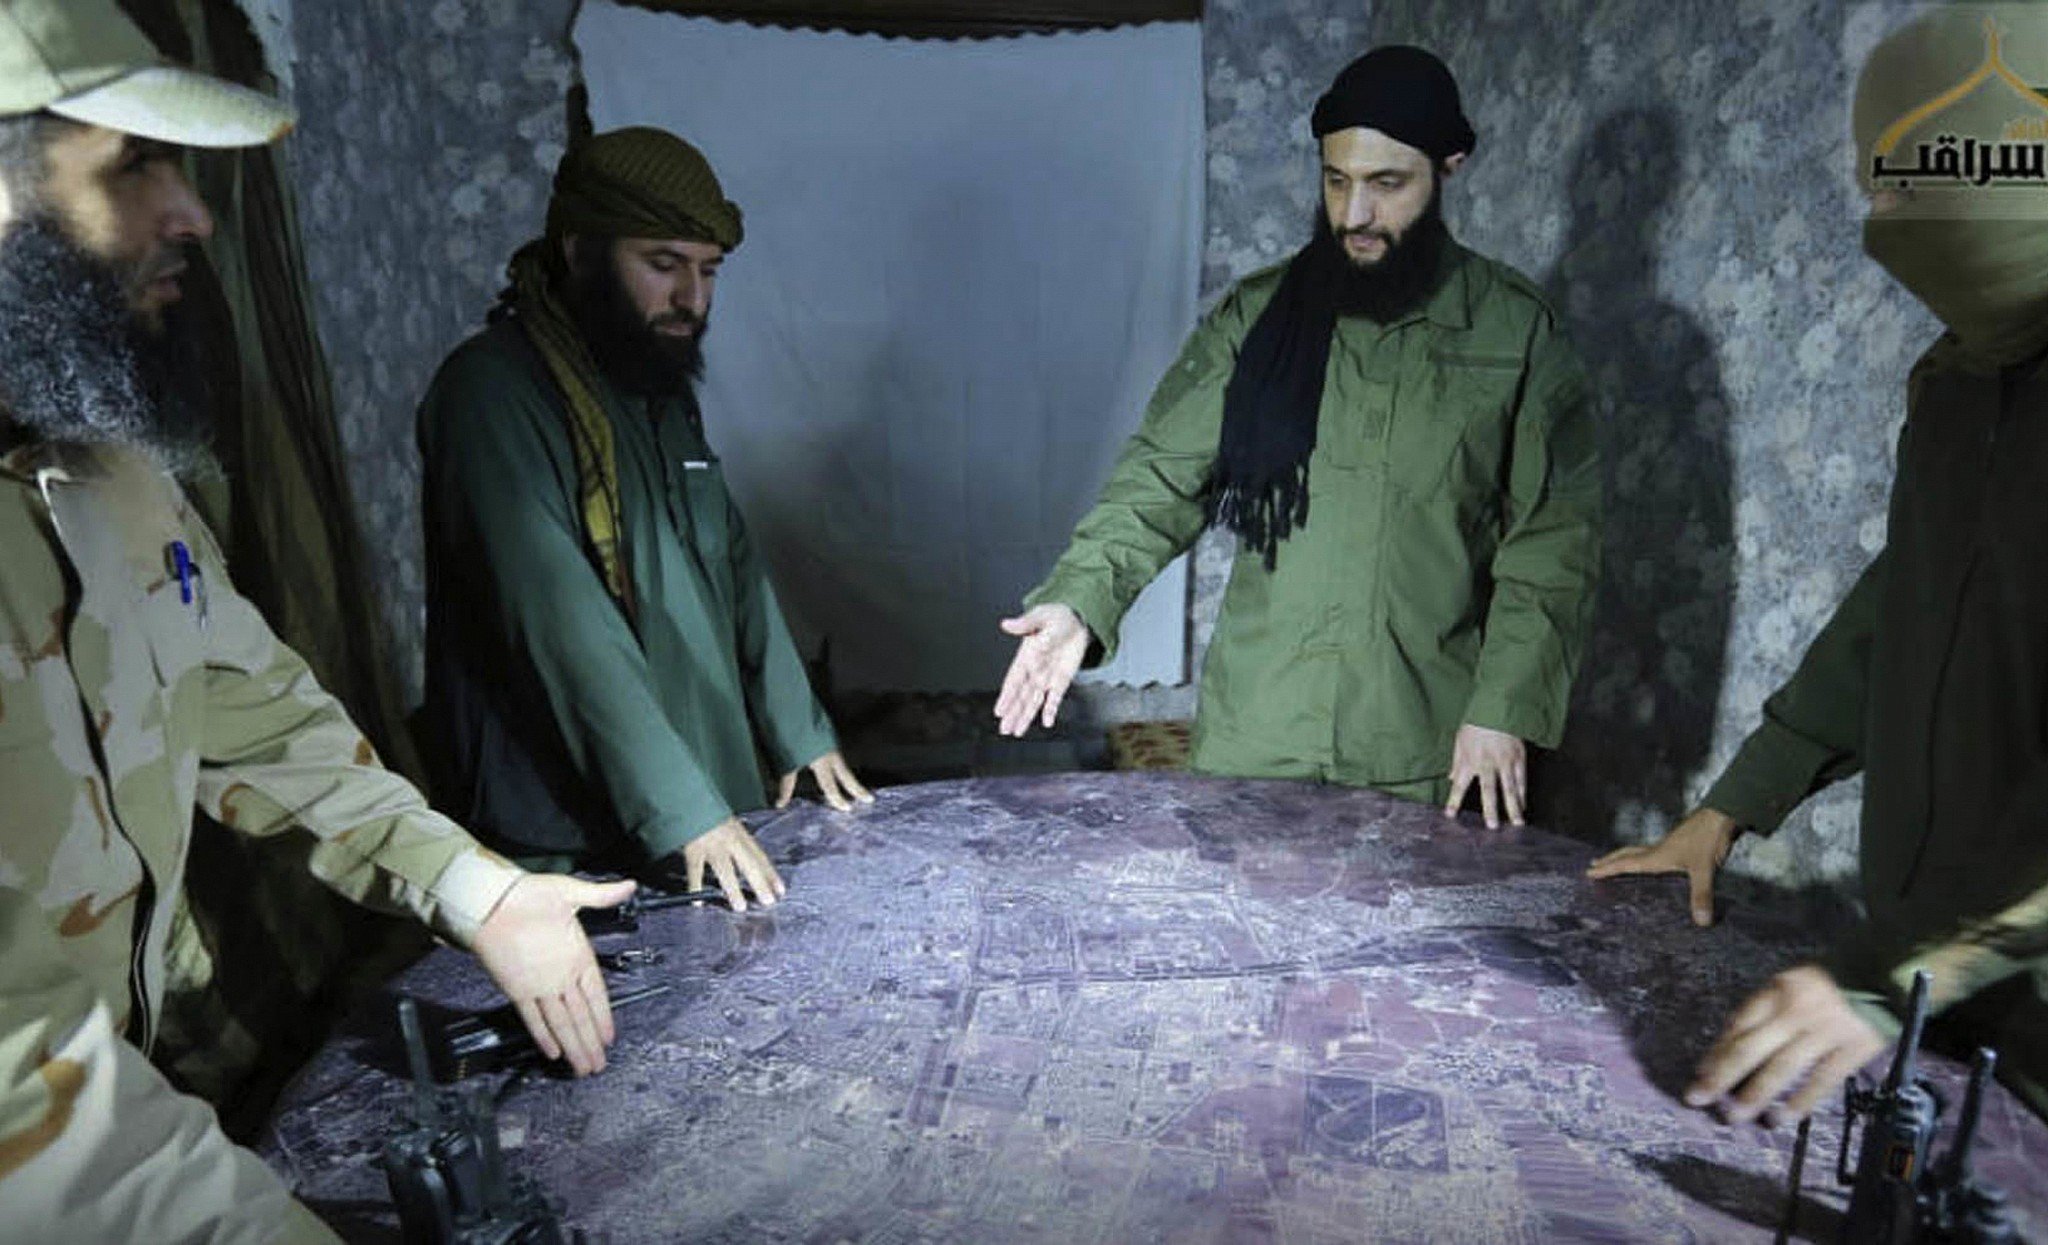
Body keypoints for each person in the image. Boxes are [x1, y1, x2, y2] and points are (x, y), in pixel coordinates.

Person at [0, 3, 634, 1239]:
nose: (191, 214)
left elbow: (253, 712)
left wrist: (475, 889)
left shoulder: (112, 467)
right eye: (133, 163)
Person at [1587, 9, 2048, 1125]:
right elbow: (1900, 610)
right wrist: (1732, 808)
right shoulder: (1953, 385)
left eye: (1904, 189)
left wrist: (1885, 971)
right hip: (1938, 1002)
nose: (1876, 225)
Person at [997, 46, 1600, 827]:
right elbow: (1161, 476)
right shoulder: (1258, 318)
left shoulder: (1517, 333)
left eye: (1387, 184)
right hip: (1258, 736)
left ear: (1447, 168)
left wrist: (1505, 709)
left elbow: (1551, 547)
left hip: (1426, 748)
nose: (1354, 215)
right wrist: (1080, 600)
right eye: (1337, 179)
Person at [418, 126, 870, 912]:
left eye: (708, 271)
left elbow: (732, 564)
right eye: (663, 265)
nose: (692, 299)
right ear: (577, 250)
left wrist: (799, 728)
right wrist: (681, 809)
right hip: (571, 839)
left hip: (702, 799)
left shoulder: (656, 390)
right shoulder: (490, 395)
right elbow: (559, 620)